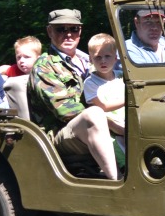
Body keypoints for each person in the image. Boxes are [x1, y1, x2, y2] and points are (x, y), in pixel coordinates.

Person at [27, 9, 119, 180]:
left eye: (74, 29)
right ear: (50, 32)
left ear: (80, 32)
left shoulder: (92, 59)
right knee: (94, 114)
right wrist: (115, 126)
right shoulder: (44, 65)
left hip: (98, 123)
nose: (68, 34)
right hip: (57, 134)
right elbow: (66, 111)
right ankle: (118, 182)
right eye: (61, 29)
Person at [84, 33, 126, 162]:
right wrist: (129, 101)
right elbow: (102, 107)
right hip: (110, 131)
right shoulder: (90, 82)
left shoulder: (122, 77)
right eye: (98, 57)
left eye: (107, 56)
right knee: (122, 159)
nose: (103, 61)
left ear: (115, 58)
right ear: (91, 59)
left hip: (129, 124)